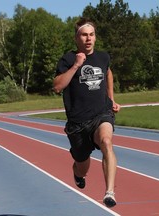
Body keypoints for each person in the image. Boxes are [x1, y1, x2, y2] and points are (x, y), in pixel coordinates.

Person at [53, 17, 120, 208]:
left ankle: (110, 192)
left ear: (95, 37)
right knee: (82, 165)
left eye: (91, 35)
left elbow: (107, 72)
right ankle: (78, 173)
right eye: (84, 35)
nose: (88, 39)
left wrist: (111, 98)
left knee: (107, 141)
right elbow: (58, 86)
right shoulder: (67, 59)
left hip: (101, 114)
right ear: (76, 38)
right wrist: (76, 65)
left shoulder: (103, 57)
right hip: (78, 123)